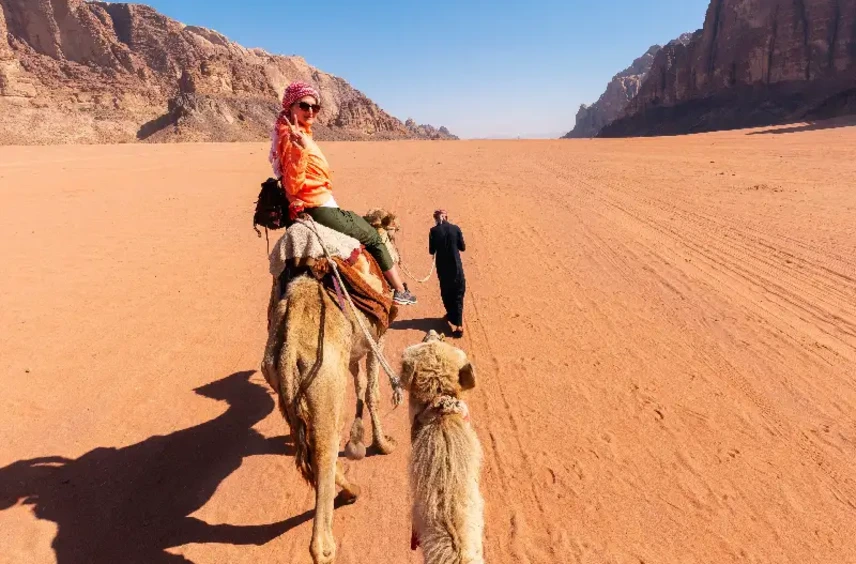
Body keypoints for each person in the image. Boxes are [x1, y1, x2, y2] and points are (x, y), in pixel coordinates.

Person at [269, 81, 417, 306]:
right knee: (374, 238)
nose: (310, 111)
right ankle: (399, 290)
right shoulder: (293, 139)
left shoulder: (297, 134)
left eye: (315, 107)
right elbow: (293, 184)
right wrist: (300, 150)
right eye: (304, 105)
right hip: (319, 207)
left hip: (318, 202)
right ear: (290, 107)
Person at [428, 209, 466, 337]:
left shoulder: (433, 231)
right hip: (456, 267)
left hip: (443, 269)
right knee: (458, 293)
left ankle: (451, 314)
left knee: (447, 292)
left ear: (435, 219)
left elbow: (431, 250)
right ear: (447, 217)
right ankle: (458, 325)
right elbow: (462, 247)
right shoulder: (455, 228)